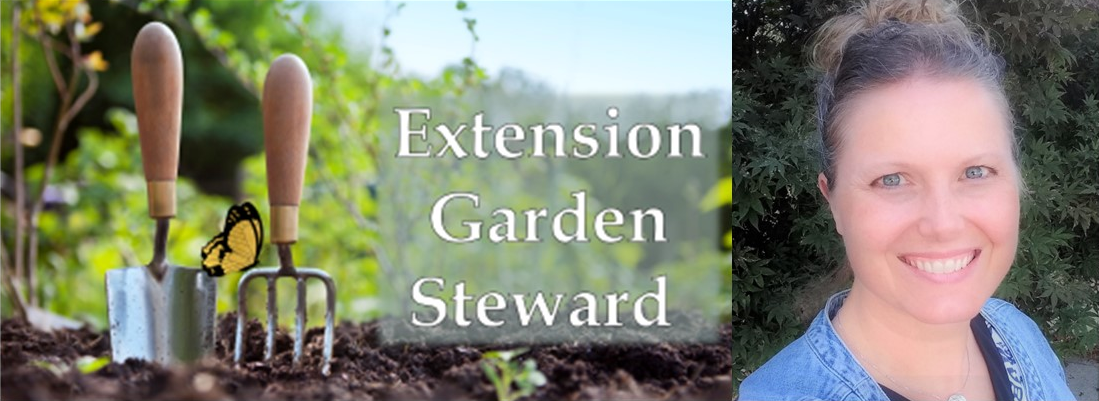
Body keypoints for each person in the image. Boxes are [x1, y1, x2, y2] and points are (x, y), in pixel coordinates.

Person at [738, 0, 1077, 400]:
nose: (943, 223)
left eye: (975, 172)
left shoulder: (1018, 332)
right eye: (892, 180)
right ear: (833, 201)